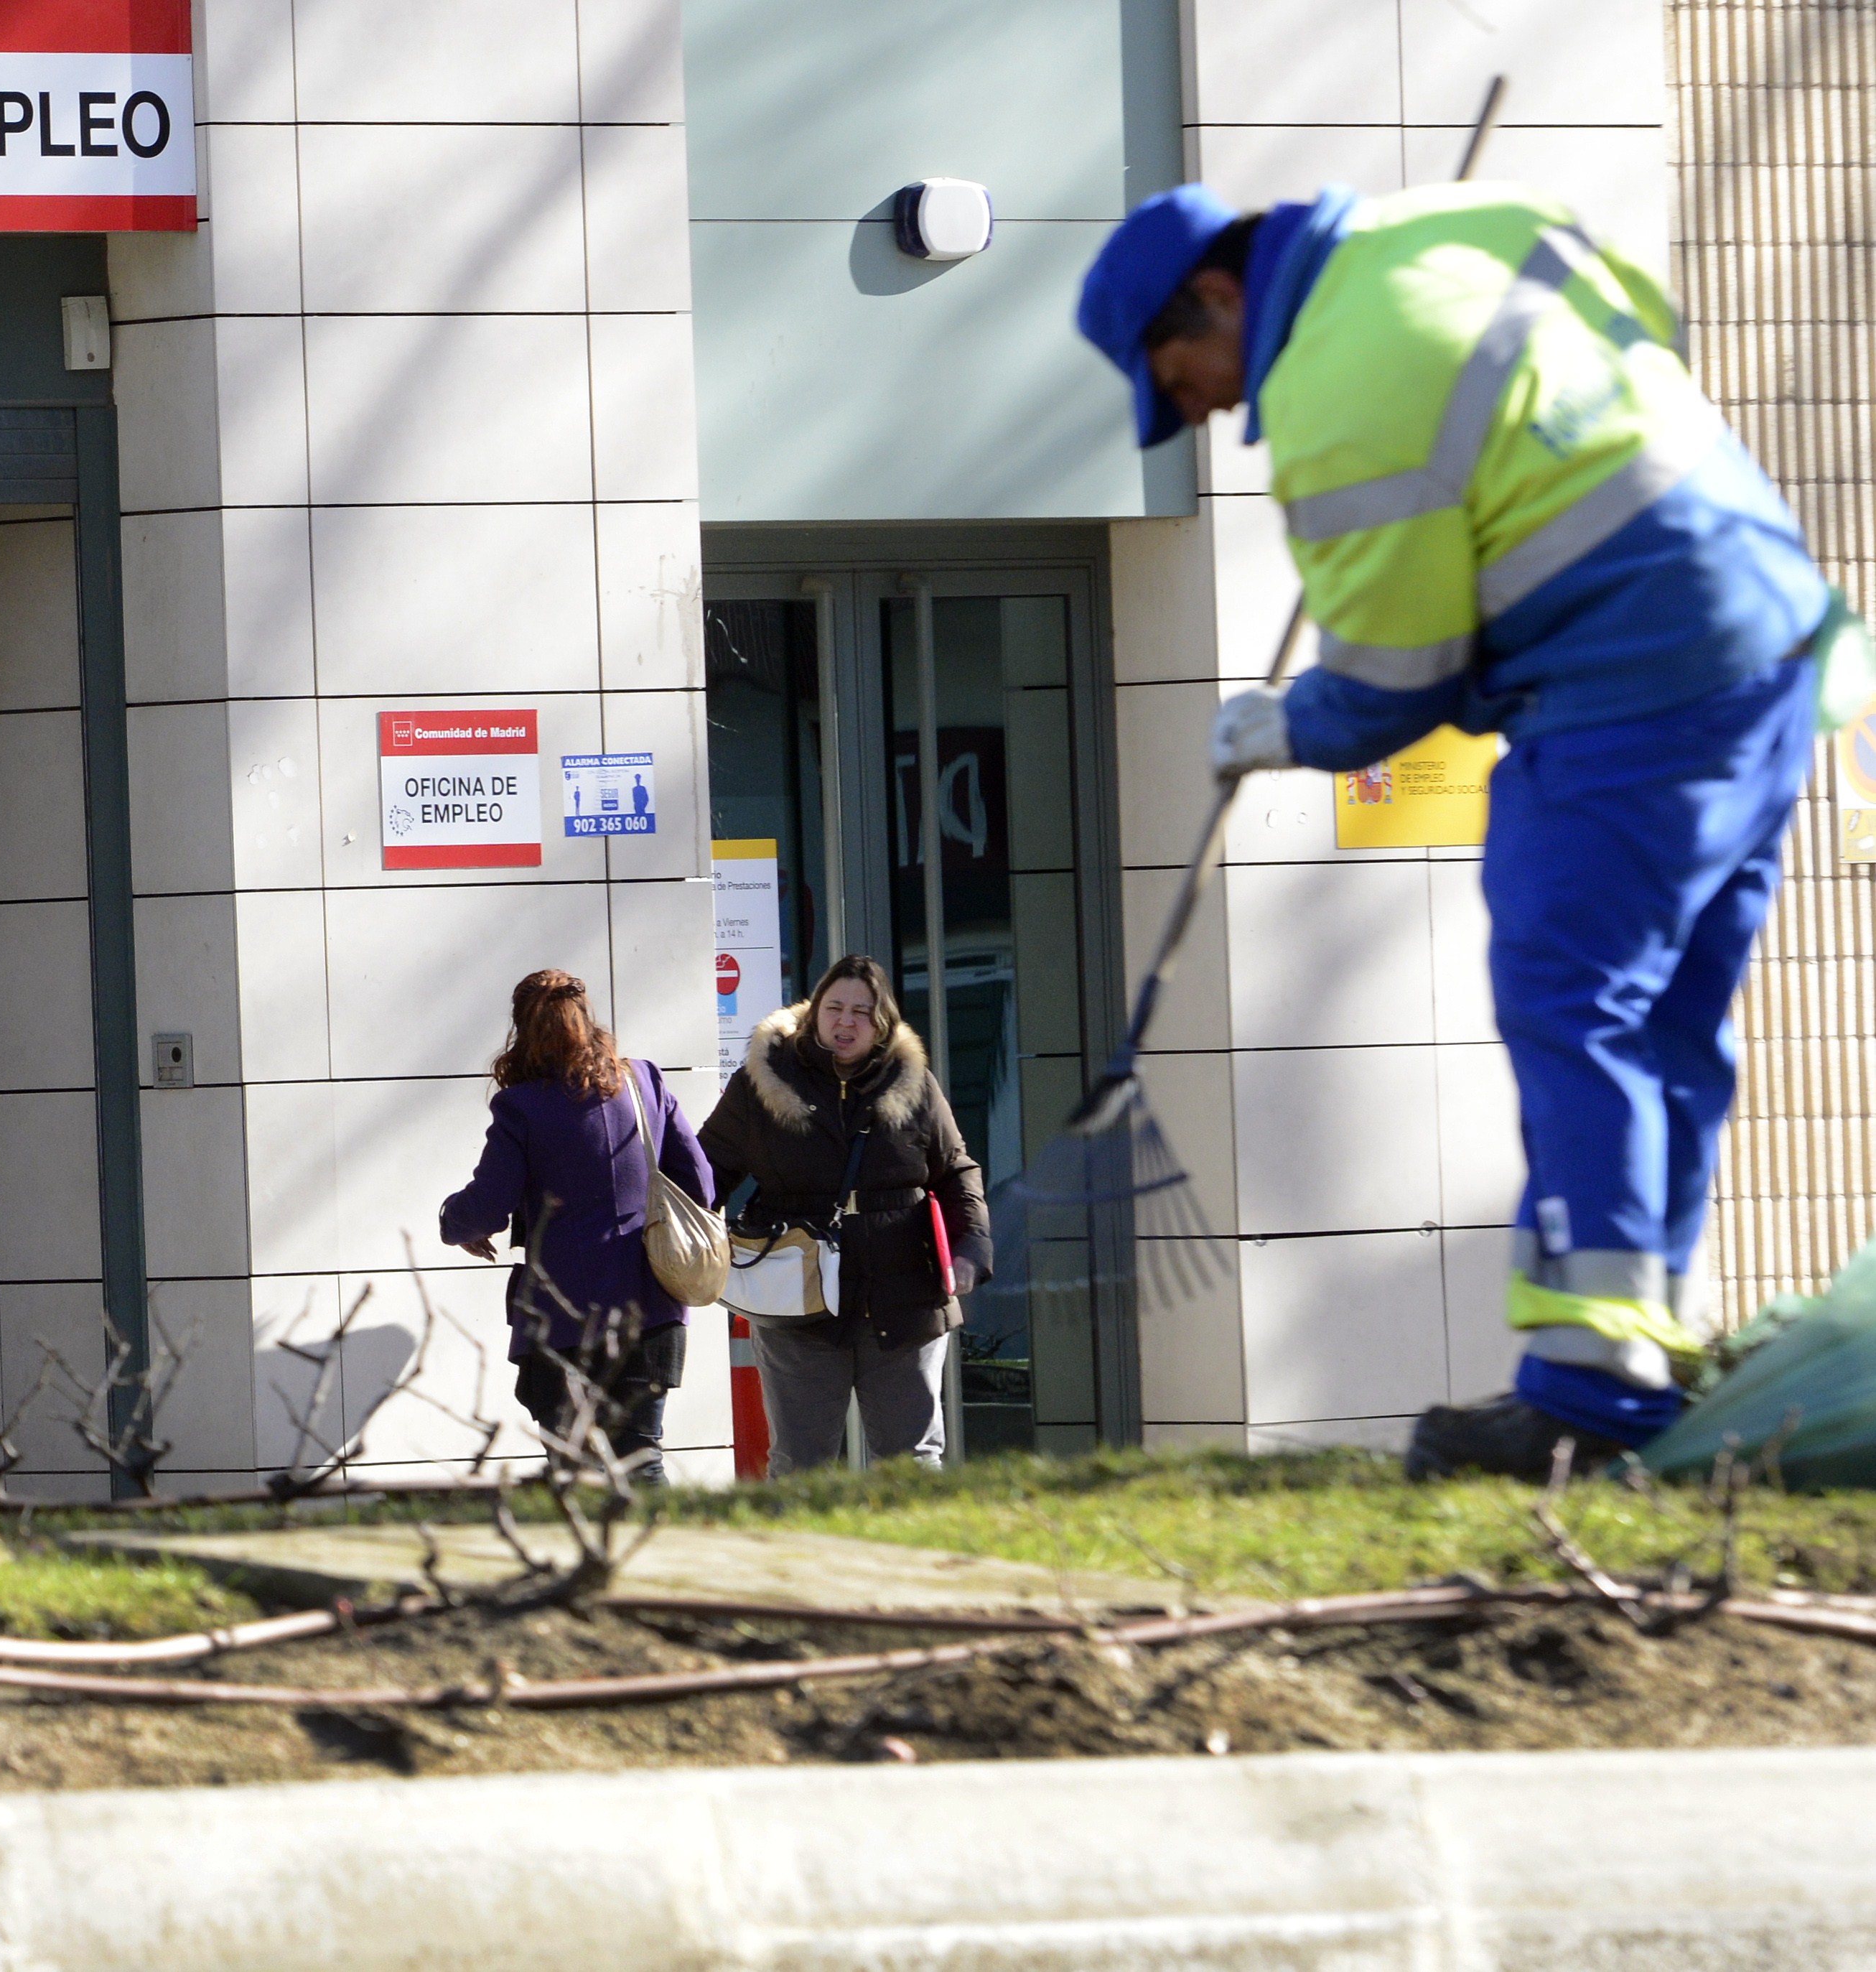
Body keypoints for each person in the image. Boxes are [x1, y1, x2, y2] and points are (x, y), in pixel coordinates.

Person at [1078, 180, 1837, 1479]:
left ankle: (1589, 1395)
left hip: (1628, 684)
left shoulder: (1333, 390)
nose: (1196, 408)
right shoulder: (1438, 231)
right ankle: (1646, 1336)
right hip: (1773, 637)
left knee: (1570, 1001)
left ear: (1214, 297)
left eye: (1176, 373)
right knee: (1664, 1019)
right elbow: (1634, 340)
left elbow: (1391, 687)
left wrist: (1284, 726)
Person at [700, 955, 987, 1474]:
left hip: (906, 1298)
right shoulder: (764, 1082)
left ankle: (912, 1557)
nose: (846, 1021)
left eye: (862, 1011)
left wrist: (971, 1248)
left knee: (913, 1461)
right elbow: (705, 1171)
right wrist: (683, 1245)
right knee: (801, 1463)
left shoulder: (915, 1082)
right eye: (834, 1007)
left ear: (883, 1023)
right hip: (797, 1300)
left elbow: (956, 1171)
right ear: (814, 1014)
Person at [439, 969, 714, 1482]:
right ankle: (662, 1557)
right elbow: (700, 1182)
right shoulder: (645, 1083)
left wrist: (451, 1221)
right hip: (650, 1309)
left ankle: (593, 1562)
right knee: (642, 1457)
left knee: (577, 1470)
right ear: (588, 1019)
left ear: (522, 1031)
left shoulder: (520, 1107)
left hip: (562, 1319)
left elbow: (486, 1207)